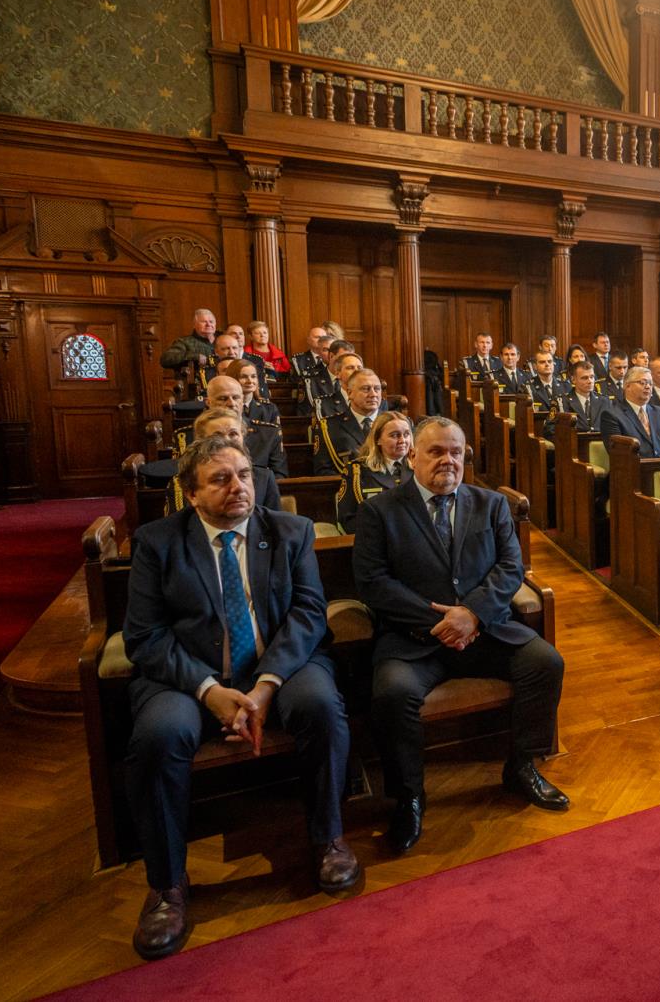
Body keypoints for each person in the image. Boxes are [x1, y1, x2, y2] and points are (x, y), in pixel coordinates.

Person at [122, 436, 358, 958]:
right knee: (158, 735)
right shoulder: (158, 543)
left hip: (280, 667)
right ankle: (167, 885)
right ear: (190, 493)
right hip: (189, 679)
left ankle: (330, 839)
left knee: (322, 705)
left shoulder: (289, 531)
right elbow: (146, 638)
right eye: (220, 479)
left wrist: (266, 685)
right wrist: (211, 691)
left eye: (245, 475)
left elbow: (308, 614)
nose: (238, 488)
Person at [354, 417, 568, 852]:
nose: (448, 461)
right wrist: (444, 621)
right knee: (392, 694)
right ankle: (409, 796)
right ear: (413, 455)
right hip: (414, 641)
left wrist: (472, 614)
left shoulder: (490, 504)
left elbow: (511, 568)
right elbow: (373, 582)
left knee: (546, 662)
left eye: (456, 452)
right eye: (436, 451)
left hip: (485, 631)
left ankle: (522, 765)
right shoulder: (381, 511)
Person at [161, 408, 282, 515]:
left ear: (243, 437)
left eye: (233, 434)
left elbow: (273, 524)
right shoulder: (186, 480)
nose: (226, 440)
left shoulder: (264, 478)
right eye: (217, 435)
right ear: (201, 441)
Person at [335, 410, 413, 530]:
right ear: (378, 439)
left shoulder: (420, 468)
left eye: (406, 434)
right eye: (394, 435)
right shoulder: (358, 471)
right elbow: (347, 518)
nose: (402, 440)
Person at [220, 359, 287, 478]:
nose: (250, 381)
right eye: (244, 377)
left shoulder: (269, 409)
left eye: (253, 376)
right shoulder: (222, 409)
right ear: (233, 379)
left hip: (261, 473)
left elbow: (276, 449)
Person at [313, 368, 386, 476]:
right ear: (349, 393)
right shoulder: (329, 427)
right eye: (366, 389)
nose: (373, 394)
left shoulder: (395, 423)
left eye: (377, 389)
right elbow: (323, 470)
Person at [601, 366, 660, 458]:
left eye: (650, 383)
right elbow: (619, 453)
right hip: (634, 470)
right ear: (627, 385)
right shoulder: (612, 415)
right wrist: (648, 464)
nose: (648, 386)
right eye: (642, 382)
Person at [546, 360, 611, 437]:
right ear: (573, 380)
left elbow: (612, 427)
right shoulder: (561, 402)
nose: (590, 381)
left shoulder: (604, 401)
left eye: (592, 377)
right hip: (574, 444)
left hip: (600, 444)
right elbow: (549, 430)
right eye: (584, 378)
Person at [158, 308, 217, 372]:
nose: (208, 324)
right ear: (194, 325)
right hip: (197, 380)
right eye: (204, 322)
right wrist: (194, 356)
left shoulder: (223, 339)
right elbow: (166, 359)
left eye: (211, 321)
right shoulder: (184, 342)